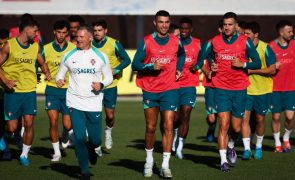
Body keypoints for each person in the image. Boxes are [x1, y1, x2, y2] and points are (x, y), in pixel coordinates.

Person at [202, 12, 261, 172]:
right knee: (223, 124)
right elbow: (200, 59)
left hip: (240, 89)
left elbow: (257, 62)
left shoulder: (245, 41)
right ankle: (223, 161)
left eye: (230, 24)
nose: (227, 27)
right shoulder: (214, 41)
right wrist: (209, 68)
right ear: (223, 26)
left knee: (235, 128)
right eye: (225, 25)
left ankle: (231, 145)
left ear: (236, 26)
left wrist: (242, 64)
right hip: (220, 88)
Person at [132, 10, 185, 178]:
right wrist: (150, 67)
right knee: (150, 127)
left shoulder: (176, 41)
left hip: (170, 88)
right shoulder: (147, 41)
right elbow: (135, 64)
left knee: (168, 125)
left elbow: (182, 55)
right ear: (155, 23)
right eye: (160, 22)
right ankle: (148, 161)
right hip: (150, 89)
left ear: (169, 23)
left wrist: (179, 68)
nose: (164, 25)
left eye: (166, 22)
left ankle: (165, 165)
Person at [56, 25, 113, 180]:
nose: (78, 39)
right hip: (74, 102)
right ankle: (84, 170)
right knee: (80, 137)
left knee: (96, 140)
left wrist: (101, 84)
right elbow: (59, 74)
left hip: (94, 103)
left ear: (90, 38)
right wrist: (59, 80)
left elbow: (109, 77)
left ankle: (92, 147)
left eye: (81, 37)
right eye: (77, 37)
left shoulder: (100, 56)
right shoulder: (68, 56)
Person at [0, 18, 51, 166]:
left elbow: (42, 62)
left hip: (29, 91)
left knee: (29, 123)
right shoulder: (9, 45)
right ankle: (4, 136)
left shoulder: (35, 47)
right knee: (12, 127)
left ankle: (24, 154)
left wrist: (46, 73)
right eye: (35, 31)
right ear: (27, 30)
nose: (37, 34)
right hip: (13, 92)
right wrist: (5, 81)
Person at [92, 19, 131, 152]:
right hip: (93, 86)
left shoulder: (114, 43)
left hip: (109, 85)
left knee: (110, 116)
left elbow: (127, 60)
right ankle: (95, 144)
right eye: (95, 30)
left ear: (105, 31)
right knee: (94, 115)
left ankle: (108, 131)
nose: (97, 33)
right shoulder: (88, 44)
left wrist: (117, 69)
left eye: (100, 30)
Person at [241, 21, 276, 160]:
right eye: (244, 33)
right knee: (245, 119)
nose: (244, 35)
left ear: (256, 35)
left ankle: (259, 147)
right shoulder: (242, 47)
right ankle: (247, 149)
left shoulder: (265, 47)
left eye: (247, 34)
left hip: (263, 90)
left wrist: (252, 70)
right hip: (245, 90)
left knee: (260, 120)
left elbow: (272, 69)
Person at [43, 20, 76, 162]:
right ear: (54, 32)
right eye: (59, 32)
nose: (61, 35)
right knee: (53, 121)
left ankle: (66, 133)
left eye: (64, 32)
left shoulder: (74, 48)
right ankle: (56, 152)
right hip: (52, 90)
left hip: (69, 91)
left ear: (67, 33)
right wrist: (45, 73)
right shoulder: (45, 49)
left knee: (68, 125)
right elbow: (38, 63)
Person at [172, 17, 202, 159]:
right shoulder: (174, 42)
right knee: (175, 118)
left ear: (191, 30)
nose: (184, 31)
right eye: (182, 29)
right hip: (174, 84)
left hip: (190, 85)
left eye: (186, 29)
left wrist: (197, 65)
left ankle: (180, 147)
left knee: (186, 114)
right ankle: (174, 135)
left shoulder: (197, 43)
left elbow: (202, 58)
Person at [269, 20, 295, 153]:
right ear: (281, 32)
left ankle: (286, 137)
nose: (292, 33)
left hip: (291, 88)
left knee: (290, 117)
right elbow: (265, 68)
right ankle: (277, 142)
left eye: (292, 31)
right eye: (289, 31)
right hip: (275, 89)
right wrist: (272, 67)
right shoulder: (271, 47)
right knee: (276, 117)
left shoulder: (294, 45)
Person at [0, 28, 10, 160]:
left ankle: (5, 149)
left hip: (5, 91)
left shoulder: (9, 48)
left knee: (5, 123)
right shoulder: (8, 47)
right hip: (4, 90)